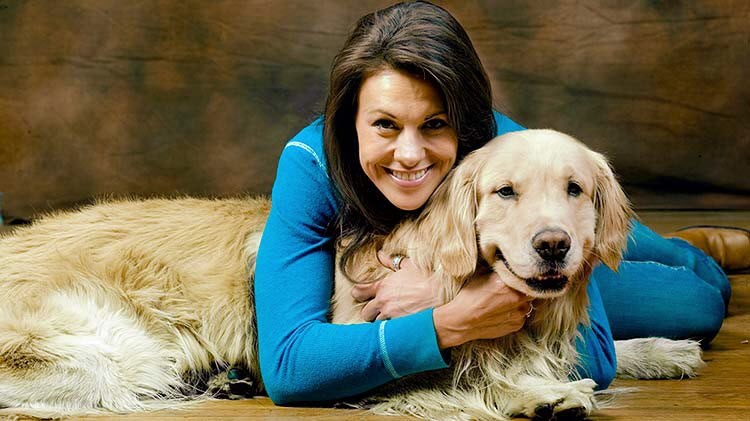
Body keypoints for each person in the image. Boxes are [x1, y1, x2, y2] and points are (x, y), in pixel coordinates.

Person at [254, 0, 742, 405]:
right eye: (384, 124)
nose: (408, 154)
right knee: (695, 308)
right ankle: (679, 249)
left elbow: (596, 361)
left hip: (537, 240)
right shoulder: (309, 164)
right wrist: (447, 318)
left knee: (695, 291)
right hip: (524, 260)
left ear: (465, 124)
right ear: (349, 121)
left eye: (434, 124)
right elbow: (290, 368)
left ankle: (682, 247)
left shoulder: (505, 145)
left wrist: (446, 287)